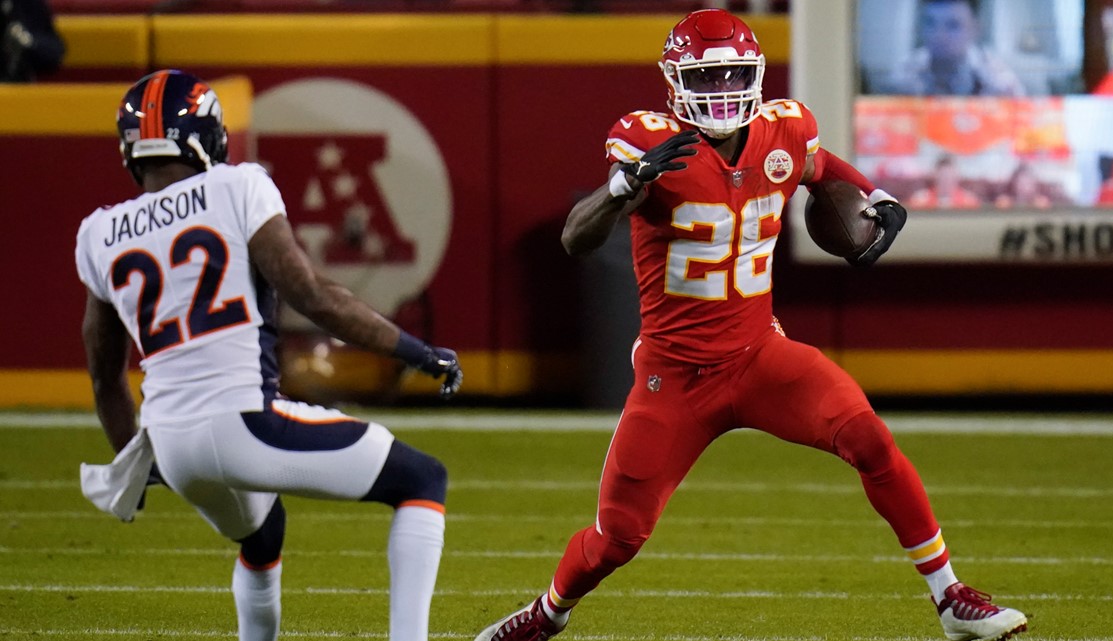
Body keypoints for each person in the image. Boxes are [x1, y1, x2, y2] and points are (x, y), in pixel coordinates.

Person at [473, 10, 1027, 641]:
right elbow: (578, 237)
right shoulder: (650, 144)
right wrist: (621, 186)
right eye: (706, 78)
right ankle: (547, 613)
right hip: (674, 375)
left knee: (870, 440)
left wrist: (876, 197)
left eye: (734, 74)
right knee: (618, 537)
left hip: (760, 354)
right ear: (675, 82)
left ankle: (950, 597)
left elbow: (822, 168)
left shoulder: (784, 131)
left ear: (757, 73)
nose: (723, 90)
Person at [75, 69, 462, 641]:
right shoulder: (237, 186)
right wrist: (415, 351)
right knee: (423, 479)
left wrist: (133, 456)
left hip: (172, 443)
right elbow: (313, 296)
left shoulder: (99, 232)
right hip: (244, 422)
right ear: (209, 135)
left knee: (263, 533)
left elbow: (105, 376)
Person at [882, 0, 1024, 96]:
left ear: (975, 29)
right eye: (930, 23)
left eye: (953, 25)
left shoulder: (997, 79)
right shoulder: (905, 73)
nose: (938, 35)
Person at [908, 155, 983, 209]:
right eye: (943, 176)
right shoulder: (920, 200)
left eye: (950, 176)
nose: (946, 180)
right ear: (935, 176)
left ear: (957, 177)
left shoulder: (969, 201)